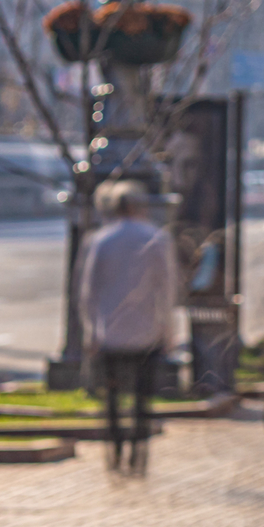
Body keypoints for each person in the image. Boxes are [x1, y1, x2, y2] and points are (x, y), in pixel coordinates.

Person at [78, 181, 177, 474]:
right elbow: (166, 290)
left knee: (111, 396)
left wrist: (91, 331)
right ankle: (139, 452)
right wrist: (168, 331)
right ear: (138, 206)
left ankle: (115, 449)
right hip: (146, 333)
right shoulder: (156, 239)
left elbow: (89, 292)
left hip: (109, 334)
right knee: (142, 397)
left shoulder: (101, 241)